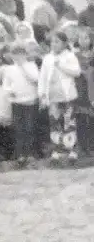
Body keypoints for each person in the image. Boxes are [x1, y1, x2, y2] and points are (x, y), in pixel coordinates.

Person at [39, 29, 81, 160]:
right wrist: (42, 94)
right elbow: (43, 77)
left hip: (67, 96)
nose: (54, 44)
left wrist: (61, 65)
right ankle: (57, 150)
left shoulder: (69, 56)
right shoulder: (47, 58)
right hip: (53, 97)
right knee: (55, 123)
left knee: (69, 123)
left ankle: (71, 150)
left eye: (57, 42)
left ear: (64, 44)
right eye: (52, 42)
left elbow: (77, 72)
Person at [2, 41, 43, 161]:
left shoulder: (31, 66)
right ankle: (20, 154)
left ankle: (30, 153)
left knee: (29, 127)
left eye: (21, 54)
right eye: (15, 54)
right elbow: (6, 85)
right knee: (18, 128)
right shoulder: (9, 69)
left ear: (25, 55)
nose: (18, 57)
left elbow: (35, 79)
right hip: (17, 102)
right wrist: (10, 91)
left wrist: (23, 67)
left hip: (30, 102)